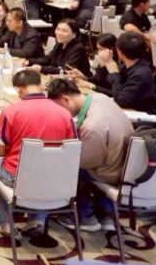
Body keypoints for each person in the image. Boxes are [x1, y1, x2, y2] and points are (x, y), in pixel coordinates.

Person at [0, 69, 76, 235]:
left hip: (18, 176)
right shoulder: (65, 114)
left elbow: (0, 151)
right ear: (41, 85)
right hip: (54, 179)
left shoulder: (11, 111)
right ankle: (38, 219)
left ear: (19, 89)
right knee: (44, 170)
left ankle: (5, 223)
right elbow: (71, 150)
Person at [46, 77, 133, 230]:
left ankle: (85, 217)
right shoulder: (100, 98)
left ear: (65, 99)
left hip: (112, 172)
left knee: (66, 167)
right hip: (127, 164)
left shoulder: (92, 127)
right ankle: (106, 212)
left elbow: (85, 162)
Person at [101, 32, 156, 117]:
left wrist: (113, 70)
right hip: (132, 110)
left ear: (119, 52)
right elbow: (112, 89)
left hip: (146, 116)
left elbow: (121, 100)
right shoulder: (127, 66)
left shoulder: (141, 74)